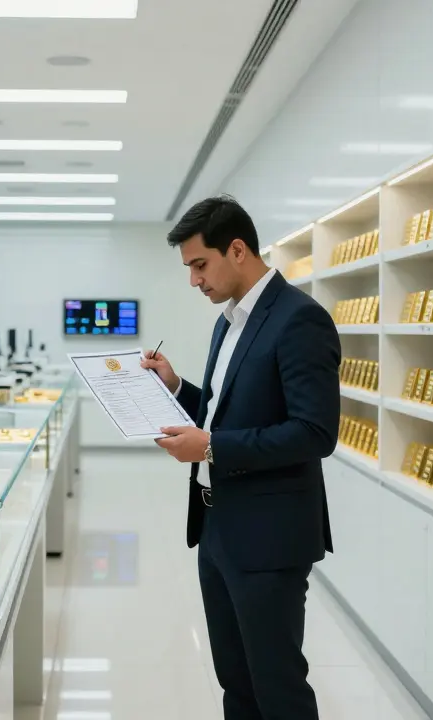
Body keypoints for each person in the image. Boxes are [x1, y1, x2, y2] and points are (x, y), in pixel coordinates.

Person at [141, 195, 340, 720]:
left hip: (269, 536)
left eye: (199, 265)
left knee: (277, 685)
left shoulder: (300, 319)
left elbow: (314, 432)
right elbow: (223, 410)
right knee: (236, 681)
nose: (194, 281)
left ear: (237, 250)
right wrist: (177, 386)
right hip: (218, 527)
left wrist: (209, 448)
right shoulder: (228, 321)